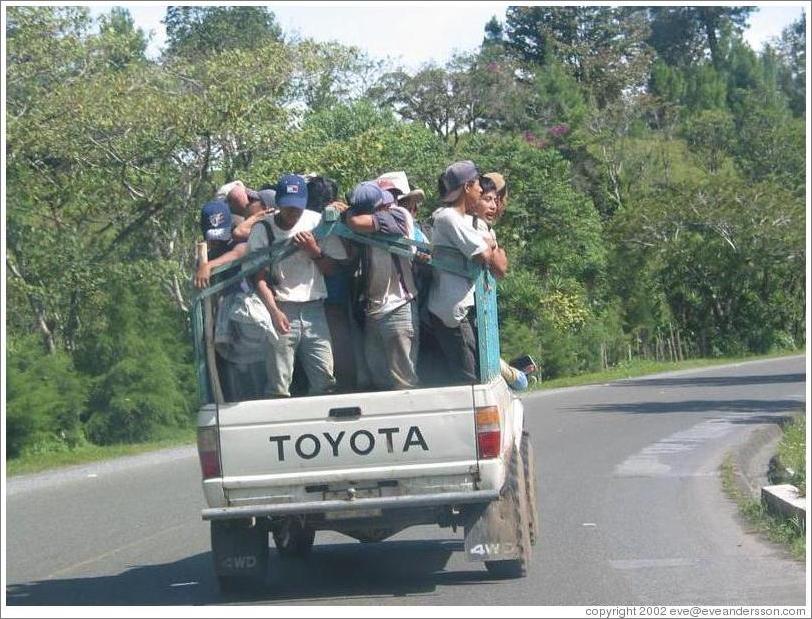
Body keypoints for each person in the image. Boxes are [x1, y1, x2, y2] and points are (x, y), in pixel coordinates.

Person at [248, 174, 347, 398]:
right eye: (289, 207)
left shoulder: (316, 221)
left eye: (298, 207)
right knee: (279, 382)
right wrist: (274, 311)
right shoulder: (263, 229)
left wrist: (314, 251)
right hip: (281, 306)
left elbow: (333, 268)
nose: (294, 212)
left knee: (325, 377)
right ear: (279, 204)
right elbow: (258, 277)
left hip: (314, 307)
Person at [427, 160, 505, 384]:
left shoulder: (459, 219)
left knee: (476, 370)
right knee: (470, 377)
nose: (481, 190)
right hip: (452, 311)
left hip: (459, 307)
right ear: (467, 187)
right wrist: (490, 243)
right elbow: (485, 256)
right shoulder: (448, 217)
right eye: (478, 185)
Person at [346, 182, 420, 391]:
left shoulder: (399, 215)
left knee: (405, 381)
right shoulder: (368, 222)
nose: (390, 205)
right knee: (379, 382)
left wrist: (348, 211)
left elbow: (355, 222)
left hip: (399, 306)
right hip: (374, 309)